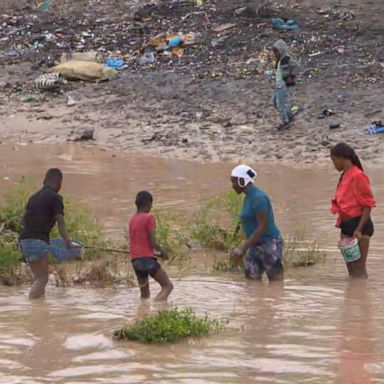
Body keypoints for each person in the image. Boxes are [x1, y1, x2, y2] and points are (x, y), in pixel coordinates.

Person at [19, 169, 81, 299]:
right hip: (37, 241)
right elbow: (61, 224)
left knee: (39, 278)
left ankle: (38, 310)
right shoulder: (56, 197)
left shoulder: (33, 197)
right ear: (59, 183)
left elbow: (22, 221)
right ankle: (33, 308)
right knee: (42, 279)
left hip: (24, 241)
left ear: (44, 181)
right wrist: (69, 244)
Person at [230, 165, 284, 282]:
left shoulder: (259, 198)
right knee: (251, 283)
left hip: (269, 244)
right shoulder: (248, 197)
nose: (233, 186)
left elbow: (262, 226)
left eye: (234, 181)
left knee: (276, 283)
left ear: (242, 180)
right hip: (254, 246)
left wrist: (242, 248)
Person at [330, 143, 376, 278]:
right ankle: (357, 296)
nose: (334, 165)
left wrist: (359, 229)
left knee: (359, 270)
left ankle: (360, 296)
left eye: (334, 160)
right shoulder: (345, 175)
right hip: (347, 226)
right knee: (352, 270)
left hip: (359, 226)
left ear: (342, 158)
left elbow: (367, 206)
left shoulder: (358, 176)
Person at [128, 191, 173, 301]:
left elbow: (138, 242)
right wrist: (163, 253)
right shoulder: (149, 218)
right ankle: (157, 307)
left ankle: (143, 312)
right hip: (147, 260)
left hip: (136, 261)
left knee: (144, 295)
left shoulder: (132, 219)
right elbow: (153, 243)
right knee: (167, 286)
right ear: (148, 204)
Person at [272, 39, 299, 130]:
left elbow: (296, 67)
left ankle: (286, 122)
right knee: (275, 102)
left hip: (282, 85)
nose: (275, 54)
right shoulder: (280, 60)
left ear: (281, 50)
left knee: (280, 105)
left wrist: (291, 77)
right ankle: (289, 115)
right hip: (278, 85)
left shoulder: (286, 59)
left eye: (276, 52)